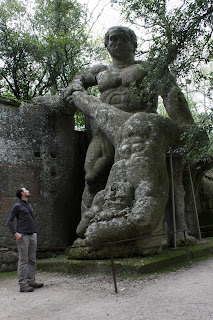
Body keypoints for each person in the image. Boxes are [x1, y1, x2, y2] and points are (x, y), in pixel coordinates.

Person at [62, 26, 194, 218]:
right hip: (107, 127)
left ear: (134, 44)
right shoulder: (100, 71)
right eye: (113, 39)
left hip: (143, 125)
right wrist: (75, 85)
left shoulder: (148, 67)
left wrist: (186, 127)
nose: (118, 42)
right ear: (106, 45)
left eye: (124, 38)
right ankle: (89, 225)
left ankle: (151, 219)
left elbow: (172, 95)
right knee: (92, 175)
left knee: (145, 171)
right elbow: (79, 79)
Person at [7, 187, 43, 292]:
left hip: (32, 235)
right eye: (26, 190)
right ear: (22, 193)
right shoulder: (17, 206)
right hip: (23, 236)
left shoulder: (28, 205)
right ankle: (23, 285)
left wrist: (34, 233)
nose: (28, 190)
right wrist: (15, 233)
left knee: (32, 260)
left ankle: (31, 281)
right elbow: (9, 221)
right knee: (23, 260)